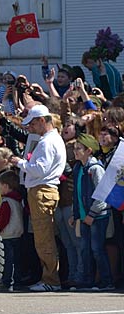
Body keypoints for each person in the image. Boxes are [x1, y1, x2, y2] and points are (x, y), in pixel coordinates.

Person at [10, 104, 67, 292]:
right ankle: (49, 277)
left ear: (42, 120)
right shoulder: (51, 140)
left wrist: (20, 162)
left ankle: (51, 280)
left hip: (42, 190)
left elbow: (39, 169)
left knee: (44, 239)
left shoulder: (47, 142)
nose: (30, 128)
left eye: (33, 124)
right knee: (43, 238)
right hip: (42, 190)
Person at [69, 133, 114, 290]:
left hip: (97, 217)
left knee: (97, 250)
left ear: (89, 150)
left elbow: (102, 195)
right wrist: (75, 214)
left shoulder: (95, 168)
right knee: (85, 250)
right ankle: (87, 281)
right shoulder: (78, 168)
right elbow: (77, 193)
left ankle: (106, 281)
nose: (75, 151)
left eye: (79, 148)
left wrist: (91, 214)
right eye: (74, 148)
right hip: (84, 216)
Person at [0, 170, 25, 292]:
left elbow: (4, 219)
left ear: (6, 186)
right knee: (17, 260)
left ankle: (7, 281)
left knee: (8, 261)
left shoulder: (6, 201)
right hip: (17, 234)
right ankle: (17, 280)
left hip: (7, 235)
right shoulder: (18, 200)